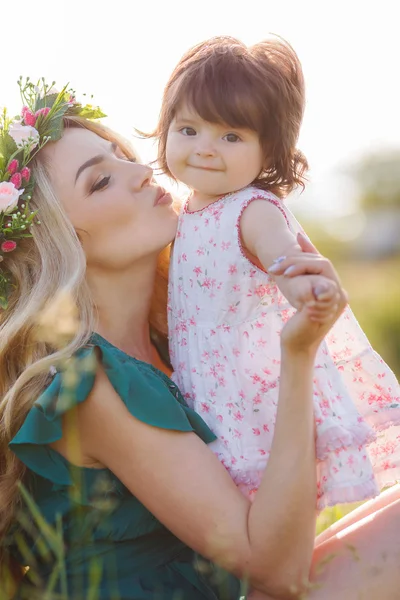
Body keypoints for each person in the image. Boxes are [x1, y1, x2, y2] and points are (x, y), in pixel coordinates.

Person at [0, 80, 399, 600]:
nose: (143, 171)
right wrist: (297, 354)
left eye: (123, 155)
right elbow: (278, 572)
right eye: (101, 182)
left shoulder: (178, 345)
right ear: (65, 239)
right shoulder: (91, 384)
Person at [148, 35, 400, 509]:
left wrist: (302, 287)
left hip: (259, 394)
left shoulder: (252, 209)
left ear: (269, 153)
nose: (205, 148)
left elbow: (284, 256)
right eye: (188, 130)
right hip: (210, 388)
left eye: (231, 136)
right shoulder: (185, 212)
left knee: (279, 513)